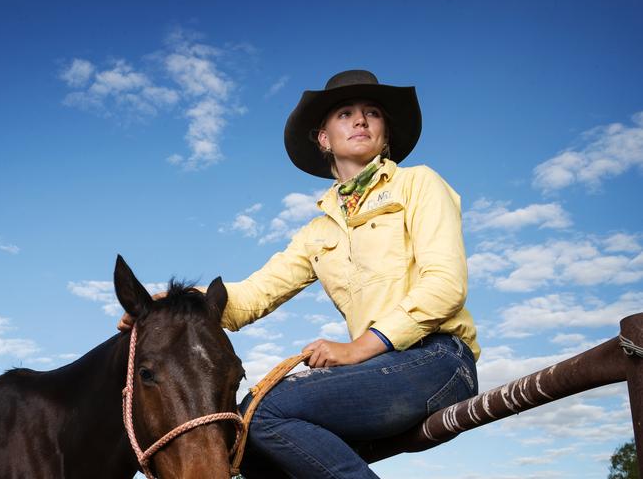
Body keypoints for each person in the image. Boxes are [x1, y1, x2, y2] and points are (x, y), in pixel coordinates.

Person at [119, 70, 480, 479]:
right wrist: (167, 305)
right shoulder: (318, 233)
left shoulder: (419, 184)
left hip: (438, 359)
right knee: (244, 444)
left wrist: (359, 347)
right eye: (346, 113)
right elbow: (251, 297)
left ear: (385, 134)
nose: (361, 120)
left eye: (373, 113)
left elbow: (445, 285)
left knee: (264, 413)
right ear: (324, 138)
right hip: (378, 372)